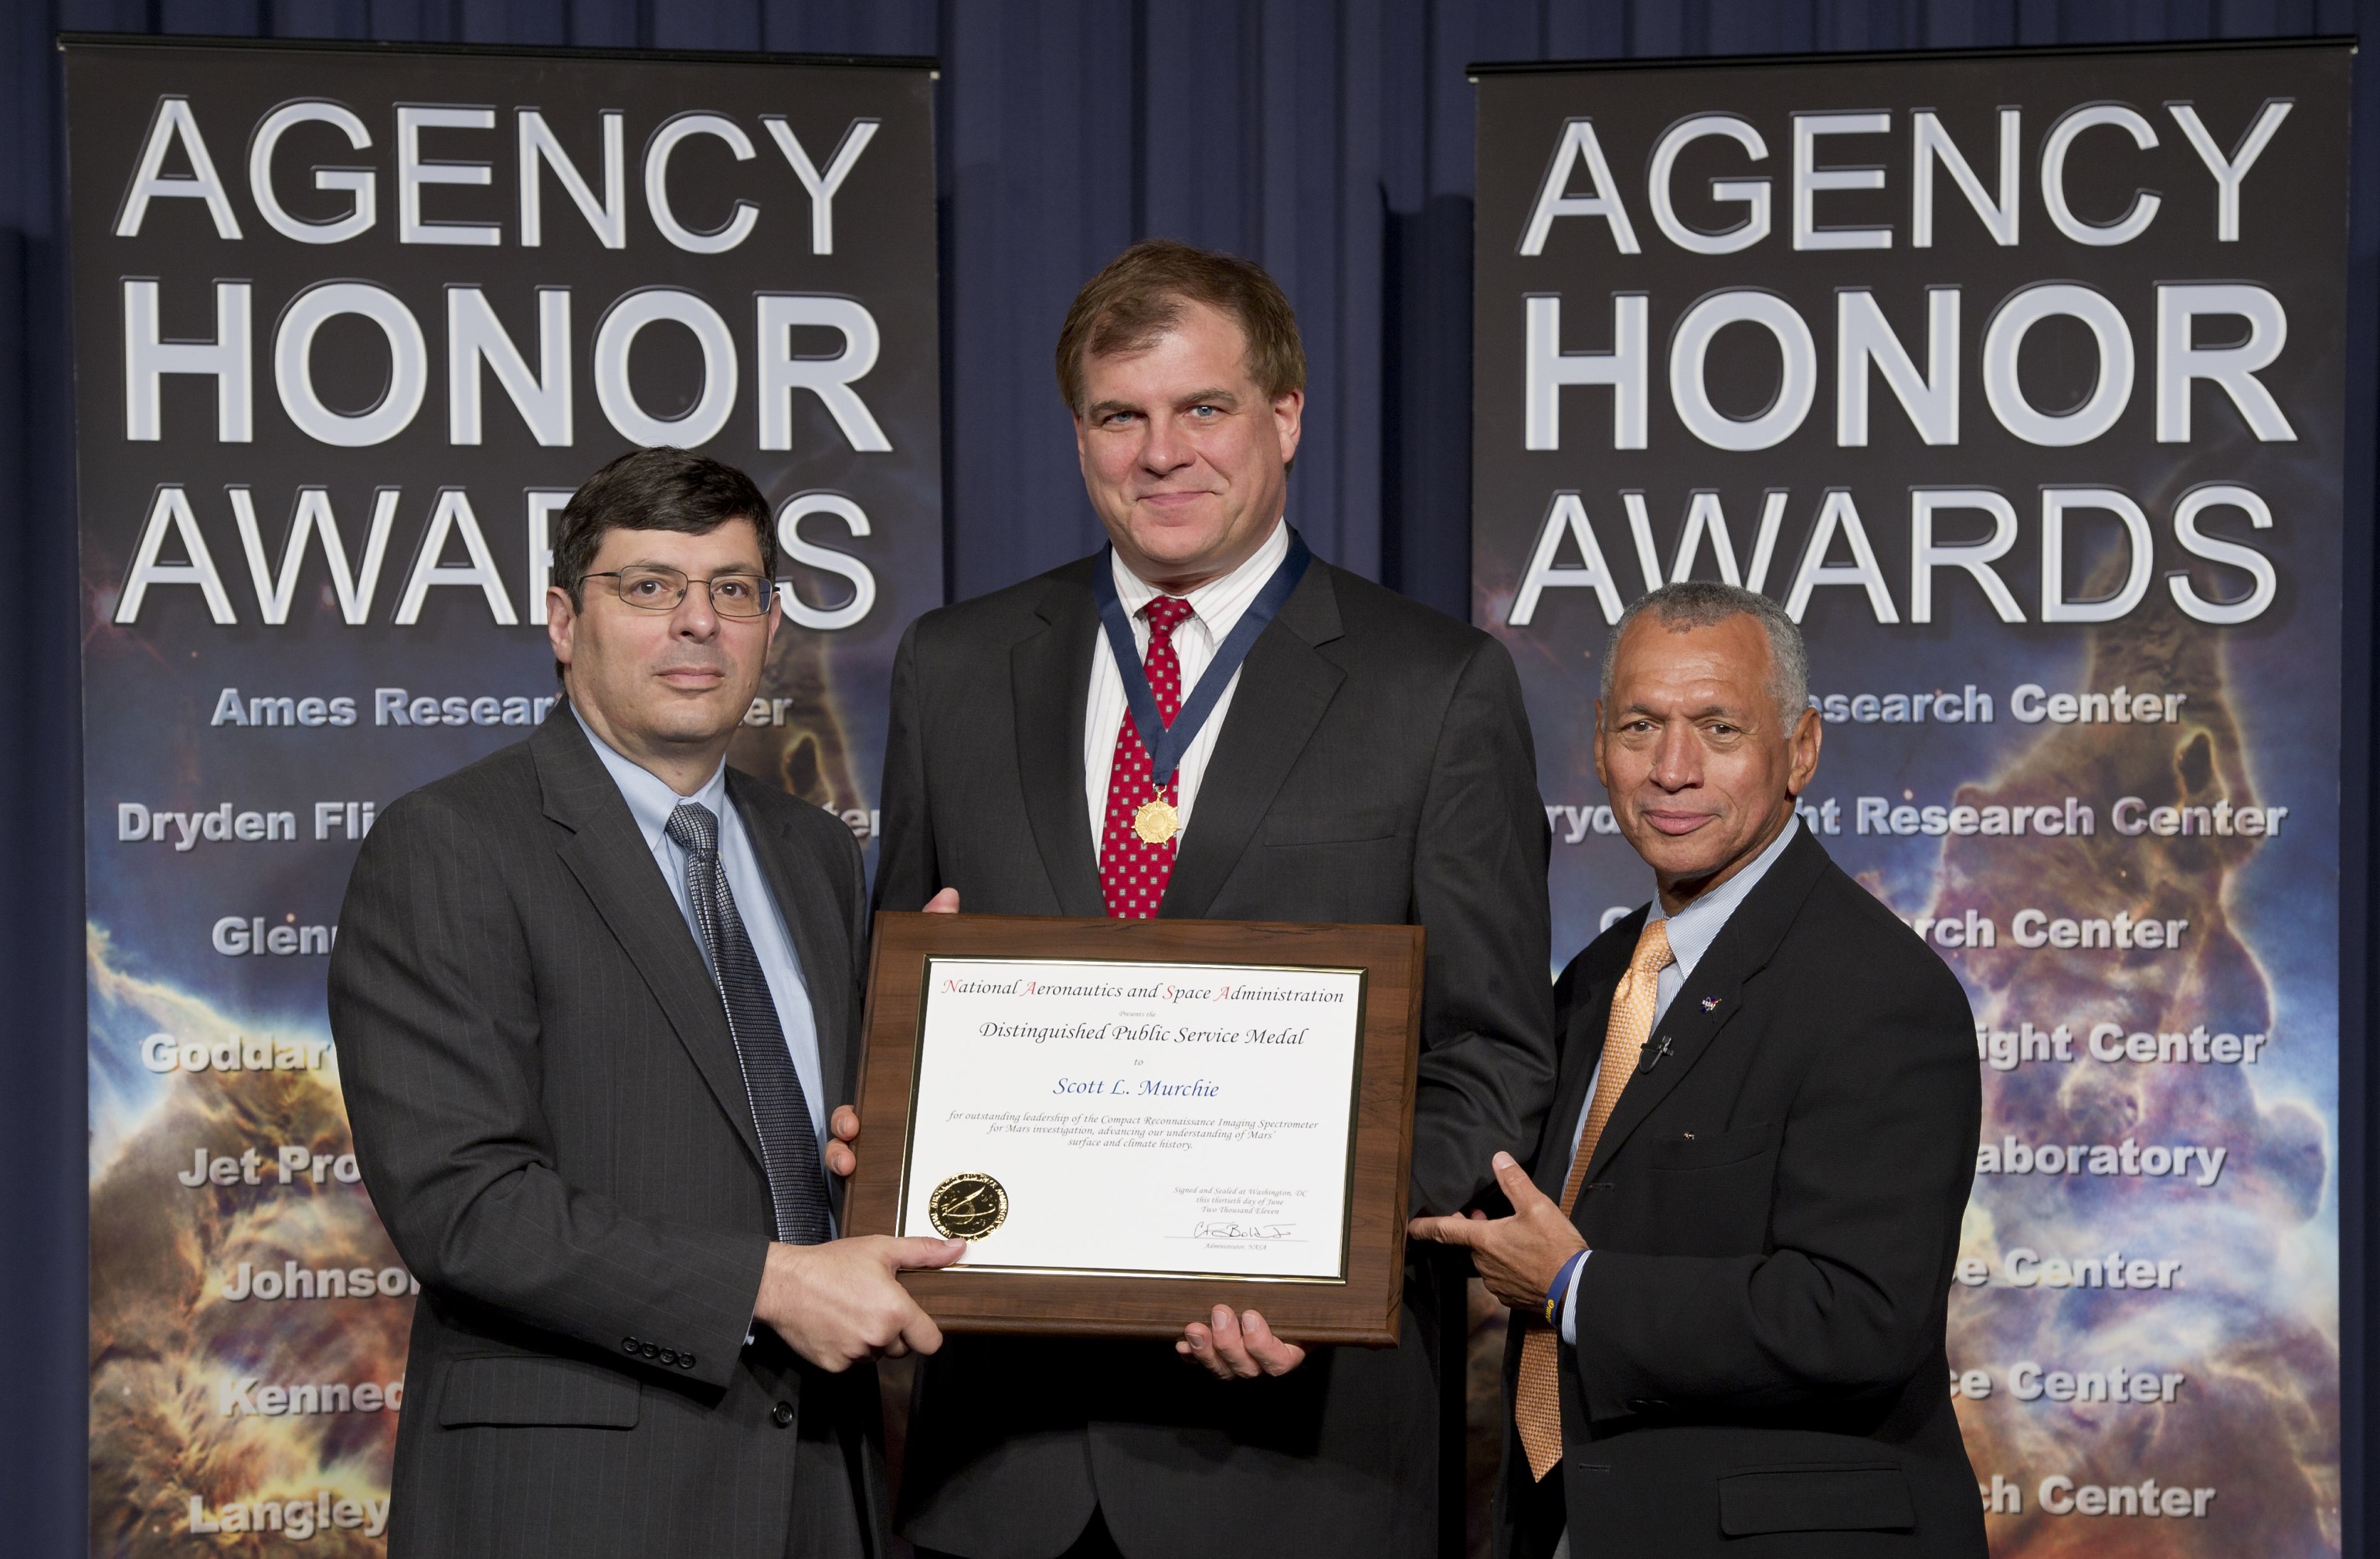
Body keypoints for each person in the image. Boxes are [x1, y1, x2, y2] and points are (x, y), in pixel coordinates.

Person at [853, 239, 1557, 1559]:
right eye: (1121, 416)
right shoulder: (955, 668)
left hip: (1302, 1463)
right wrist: (884, 1105)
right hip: (1002, 1470)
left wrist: (1312, 1255)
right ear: (1079, 438)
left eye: (1203, 408)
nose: (1161, 452)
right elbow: (903, 986)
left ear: (1285, 416)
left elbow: (1491, 1052)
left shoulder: (1434, 686)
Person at [327, 447, 965, 1558]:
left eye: (732, 588)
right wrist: (771, 1285)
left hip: (823, 1478)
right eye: (649, 586)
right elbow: (465, 1206)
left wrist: (957, 1044)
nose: (697, 622)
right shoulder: (452, 845)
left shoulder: (813, 849)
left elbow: (840, 1144)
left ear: (771, 624)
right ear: (565, 621)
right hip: (580, 1495)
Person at [1410, 581, 1986, 1559]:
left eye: (1719, 728)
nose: (1673, 769)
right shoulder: (1597, 979)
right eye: (1641, 726)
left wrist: (1576, 1286)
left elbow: (1860, 1318)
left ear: (1800, 748)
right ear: (1599, 742)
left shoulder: (1878, 991)